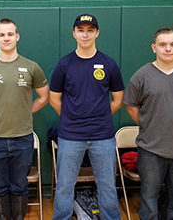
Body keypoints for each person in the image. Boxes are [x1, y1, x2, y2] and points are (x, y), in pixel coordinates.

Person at [122, 27, 173, 220]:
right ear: (154, 47)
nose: (168, 49)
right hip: (151, 149)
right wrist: (149, 125)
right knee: (149, 198)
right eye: (163, 45)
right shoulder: (141, 75)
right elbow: (131, 106)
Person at [49, 13, 124, 220]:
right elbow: (54, 99)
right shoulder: (64, 65)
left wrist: (99, 116)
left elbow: (118, 99)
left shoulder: (109, 64)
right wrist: (70, 118)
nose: (85, 34)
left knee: (107, 184)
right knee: (64, 184)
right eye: (81, 30)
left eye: (90, 30)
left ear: (97, 33)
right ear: (74, 33)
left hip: (103, 136)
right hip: (70, 135)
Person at [0, 18, 49, 220]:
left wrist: (25, 112)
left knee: (19, 186)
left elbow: (44, 97)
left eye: (10, 34)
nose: (6, 38)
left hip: (22, 138)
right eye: (1, 34)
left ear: (17, 36)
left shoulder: (31, 67)